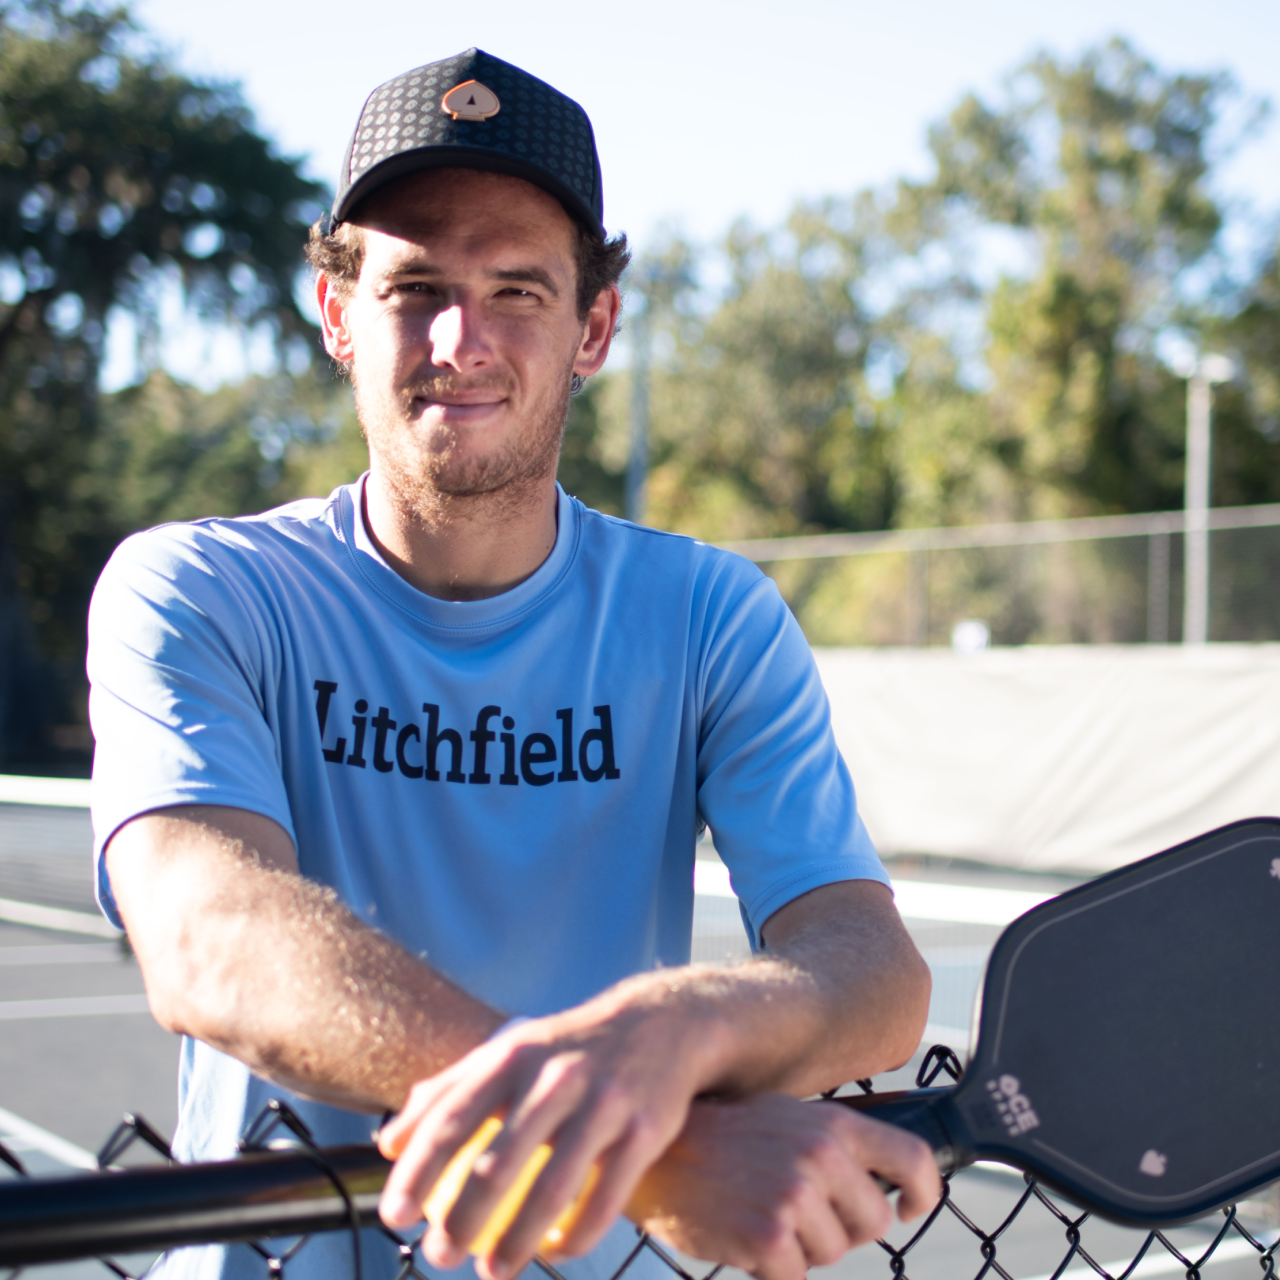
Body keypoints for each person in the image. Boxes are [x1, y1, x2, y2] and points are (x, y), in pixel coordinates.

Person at [88, 48, 940, 1280]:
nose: (460, 338)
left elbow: (866, 965)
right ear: (335, 312)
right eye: (412, 285)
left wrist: (674, 1025)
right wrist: (623, 1145)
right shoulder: (204, 588)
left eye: (518, 292)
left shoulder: (707, 615)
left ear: (592, 326)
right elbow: (210, 935)